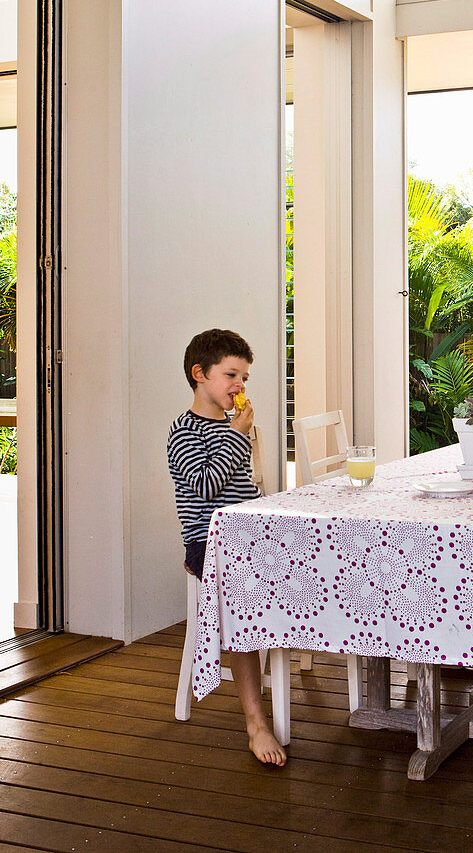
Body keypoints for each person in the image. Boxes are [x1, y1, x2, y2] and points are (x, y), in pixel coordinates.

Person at [168, 328, 286, 766]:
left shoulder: (229, 427)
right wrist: (238, 435)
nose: (240, 385)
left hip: (246, 538)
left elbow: (244, 490)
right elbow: (203, 486)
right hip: (209, 547)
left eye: (244, 377)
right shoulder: (184, 430)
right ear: (200, 375)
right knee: (246, 595)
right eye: (231, 374)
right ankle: (255, 721)